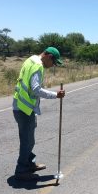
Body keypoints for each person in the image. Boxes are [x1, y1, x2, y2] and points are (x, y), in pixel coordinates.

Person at [12, 47, 65, 180]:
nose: (52, 66)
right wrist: (55, 95)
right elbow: (36, 89)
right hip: (24, 109)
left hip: (21, 106)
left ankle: (29, 163)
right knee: (27, 141)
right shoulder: (38, 66)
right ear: (48, 56)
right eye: (53, 62)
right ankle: (21, 170)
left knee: (29, 140)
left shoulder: (30, 60)